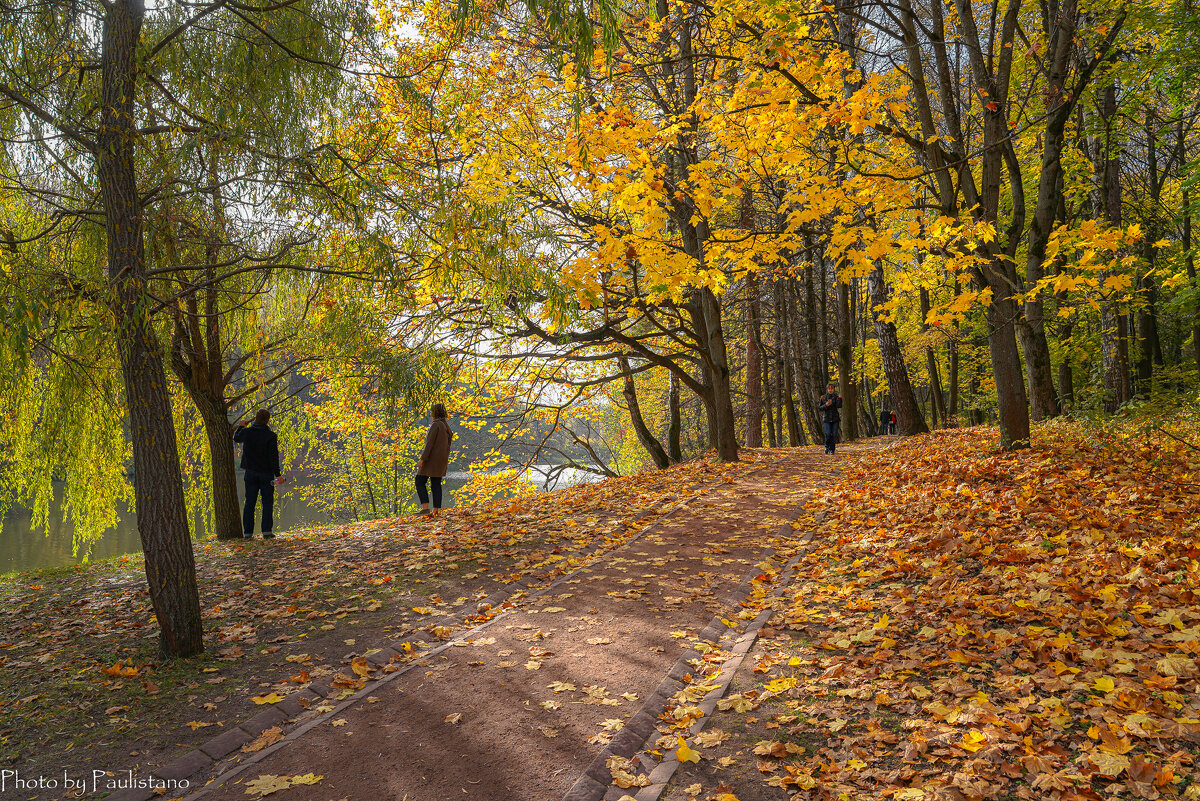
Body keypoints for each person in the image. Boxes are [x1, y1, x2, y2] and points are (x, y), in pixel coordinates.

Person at [233, 409, 284, 539]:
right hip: (266, 474)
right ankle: (266, 531)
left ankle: (248, 533)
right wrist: (277, 474)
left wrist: (240, 426)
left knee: (249, 502)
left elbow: (236, 438)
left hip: (250, 472)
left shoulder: (247, 432)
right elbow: (273, 457)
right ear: (268, 420)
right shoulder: (271, 436)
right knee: (267, 502)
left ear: (255, 418)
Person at [416, 403, 453, 516]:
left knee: (419, 480)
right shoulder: (446, 426)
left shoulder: (435, 425)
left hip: (431, 460)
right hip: (442, 460)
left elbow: (429, 444)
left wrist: (422, 459)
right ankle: (436, 510)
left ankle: (425, 507)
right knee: (436, 483)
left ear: (434, 413)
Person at [817, 383, 842, 455]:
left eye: (832, 389)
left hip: (835, 419)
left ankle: (832, 450)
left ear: (834, 389)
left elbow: (839, 406)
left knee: (834, 434)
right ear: (827, 389)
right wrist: (826, 405)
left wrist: (840, 399)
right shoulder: (823, 397)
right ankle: (826, 446)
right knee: (828, 434)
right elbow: (820, 408)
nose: (830, 390)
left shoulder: (837, 397)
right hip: (826, 419)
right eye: (829, 389)